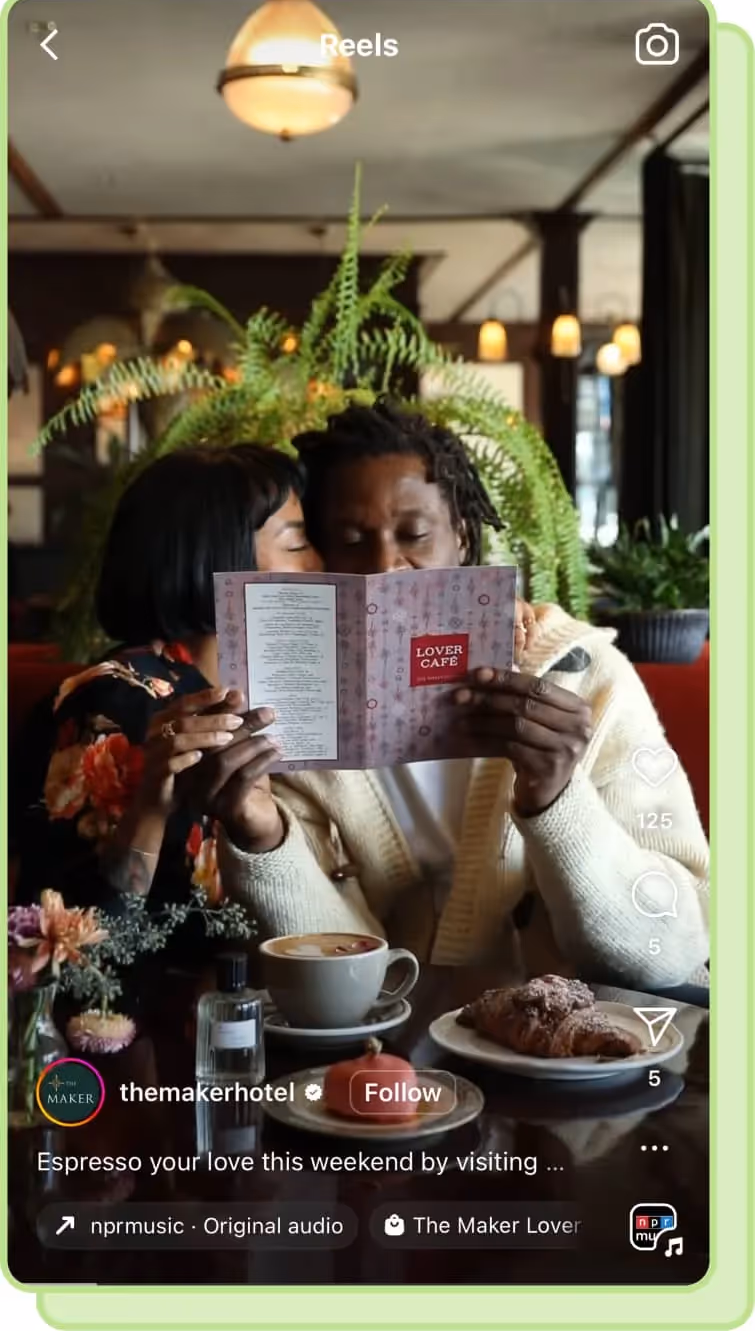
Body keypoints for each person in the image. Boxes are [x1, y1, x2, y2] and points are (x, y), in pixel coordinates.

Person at [218, 401, 710, 991]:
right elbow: (338, 983)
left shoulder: (582, 677)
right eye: (350, 540)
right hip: (389, 1037)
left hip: (578, 1038)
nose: (385, 566)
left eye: (414, 535)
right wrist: (264, 838)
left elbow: (672, 950)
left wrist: (558, 798)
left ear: (463, 536)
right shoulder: (294, 713)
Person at [15, 445, 321, 914]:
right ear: (220, 556)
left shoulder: (262, 689)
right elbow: (78, 935)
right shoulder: (115, 702)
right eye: (297, 545)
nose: (319, 563)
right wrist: (151, 805)